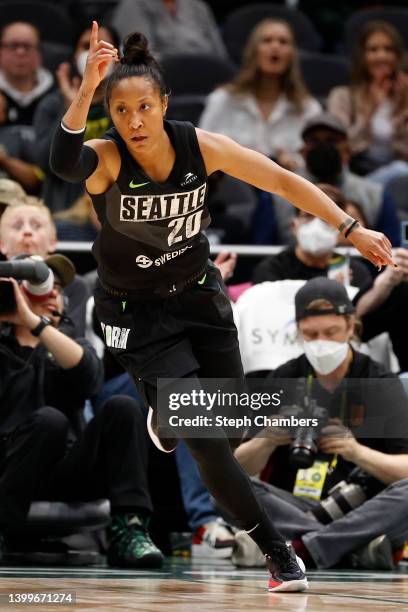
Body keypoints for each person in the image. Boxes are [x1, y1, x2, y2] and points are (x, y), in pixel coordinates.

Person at [49, 21, 394, 592]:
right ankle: (277, 552)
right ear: (109, 115)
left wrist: (348, 228)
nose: (134, 121)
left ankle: (169, 413)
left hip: (200, 300)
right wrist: (86, 89)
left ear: (164, 104)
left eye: (144, 107)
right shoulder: (107, 158)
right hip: (134, 314)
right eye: (121, 110)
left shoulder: (199, 146)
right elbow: (61, 164)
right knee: (207, 437)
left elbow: (283, 181)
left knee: (227, 426)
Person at [0, 255, 164, 568]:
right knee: (49, 421)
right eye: (37, 287)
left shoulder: (71, 347)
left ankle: (129, 529)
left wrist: (36, 325)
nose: (51, 293)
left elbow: (89, 378)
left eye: (57, 288)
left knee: (122, 407)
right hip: (8, 468)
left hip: (64, 470)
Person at [233, 277, 408, 570]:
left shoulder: (379, 382)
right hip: (296, 506)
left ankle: (298, 548)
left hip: (366, 507)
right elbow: (238, 467)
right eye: (311, 334)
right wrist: (266, 439)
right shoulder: (283, 378)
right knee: (224, 483)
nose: (321, 343)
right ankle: (347, 547)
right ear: (298, 332)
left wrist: (356, 452)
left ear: (351, 327)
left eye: (331, 332)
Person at [252, 201, 408, 372]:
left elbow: (362, 323)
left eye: (325, 219)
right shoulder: (271, 268)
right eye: (308, 216)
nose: (316, 225)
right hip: (282, 351)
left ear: (339, 229)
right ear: (293, 225)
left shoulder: (356, 270)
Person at [199, 19, 321, 169]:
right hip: (231, 186)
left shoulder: (308, 108)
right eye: (267, 40)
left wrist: (294, 164)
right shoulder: (222, 100)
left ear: (292, 54)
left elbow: (315, 168)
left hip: (286, 186)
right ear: (253, 50)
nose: (275, 46)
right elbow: (200, 153)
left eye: (283, 42)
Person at [270, 112, 401, 246]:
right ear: (303, 150)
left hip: (357, 265)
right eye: (314, 141)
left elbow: (392, 248)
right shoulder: (277, 193)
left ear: (347, 150)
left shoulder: (375, 195)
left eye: (331, 140)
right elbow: (259, 249)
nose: (322, 146)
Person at [33, 24, 119, 212]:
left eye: (103, 46)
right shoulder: (52, 104)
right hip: (61, 210)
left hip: (110, 209)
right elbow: (42, 162)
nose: (93, 52)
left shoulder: (125, 105)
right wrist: (71, 108)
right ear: (74, 55)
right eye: (86, 46)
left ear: (117, 58)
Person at [328, 21, 408, 185]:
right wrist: (371, 111)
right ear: (362, 57)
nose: (381, 56)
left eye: (388, 49)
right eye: (373, 50)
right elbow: (339, 148)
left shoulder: (405, 96)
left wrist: (404, 113)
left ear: (398, 56)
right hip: (356, 176)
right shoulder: (343, 96)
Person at [0, 199, 89, 337]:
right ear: (2, 245)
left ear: (53, 241)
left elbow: (74, 341)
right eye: (17, 226)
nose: (27, 231)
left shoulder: (72, 284)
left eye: (36, 226)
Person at [110, 0, 228, 61]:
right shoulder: (133, 6)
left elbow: (220, 54)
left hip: (210, 79)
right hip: (164, 86)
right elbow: (140, 58)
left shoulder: (198, 6)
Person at [0, 22, 54, 126]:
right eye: (13, 46)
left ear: (39, 54)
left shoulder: (58, 93)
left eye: (27, 46)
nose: (20, 52)